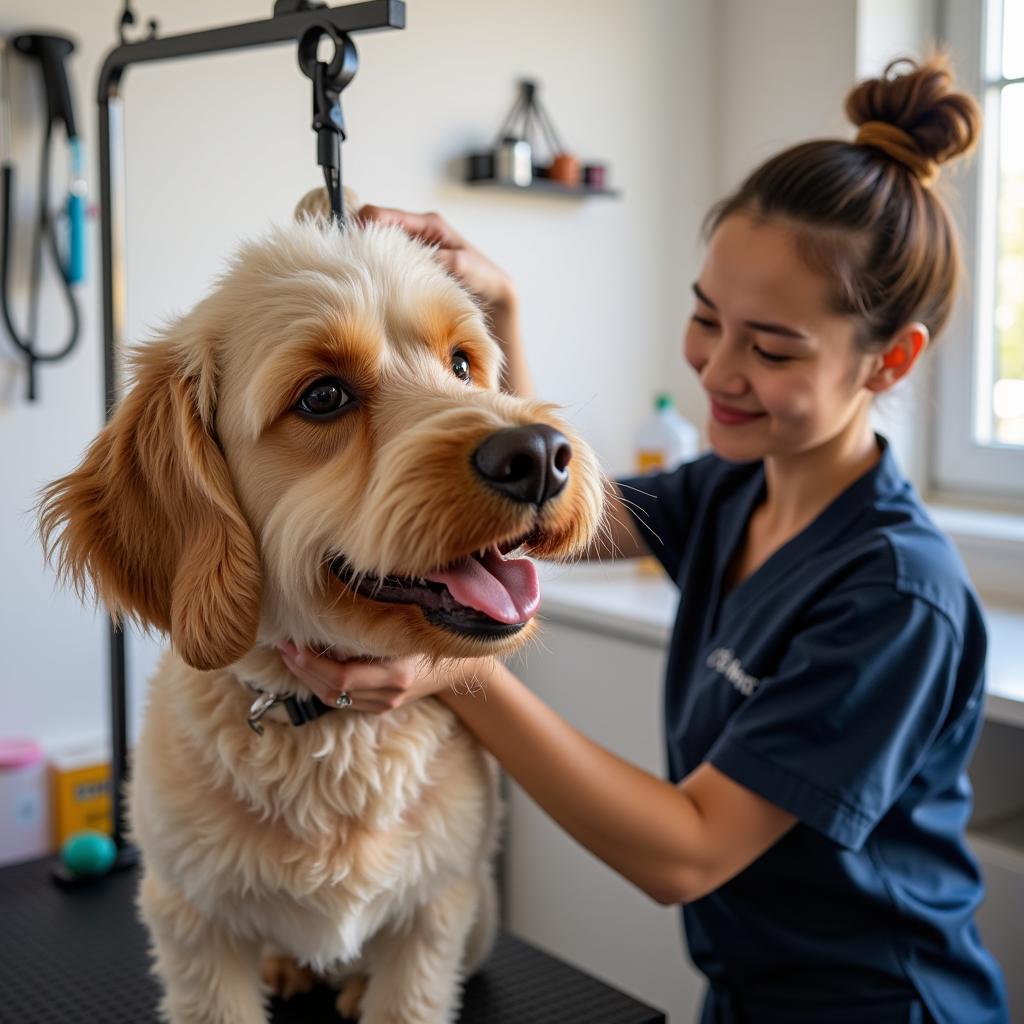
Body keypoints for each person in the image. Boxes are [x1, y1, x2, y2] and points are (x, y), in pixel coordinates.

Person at [278, 56, 1010, 1023]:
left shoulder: (896, 595)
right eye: (707, 318)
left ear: (891, 360)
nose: (720, 367)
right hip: (744, 993)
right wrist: (499, 317)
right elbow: (556, 520)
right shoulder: (733, 489)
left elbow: (689, 851)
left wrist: (457, 668)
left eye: (774, 347)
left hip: (879, 1006)